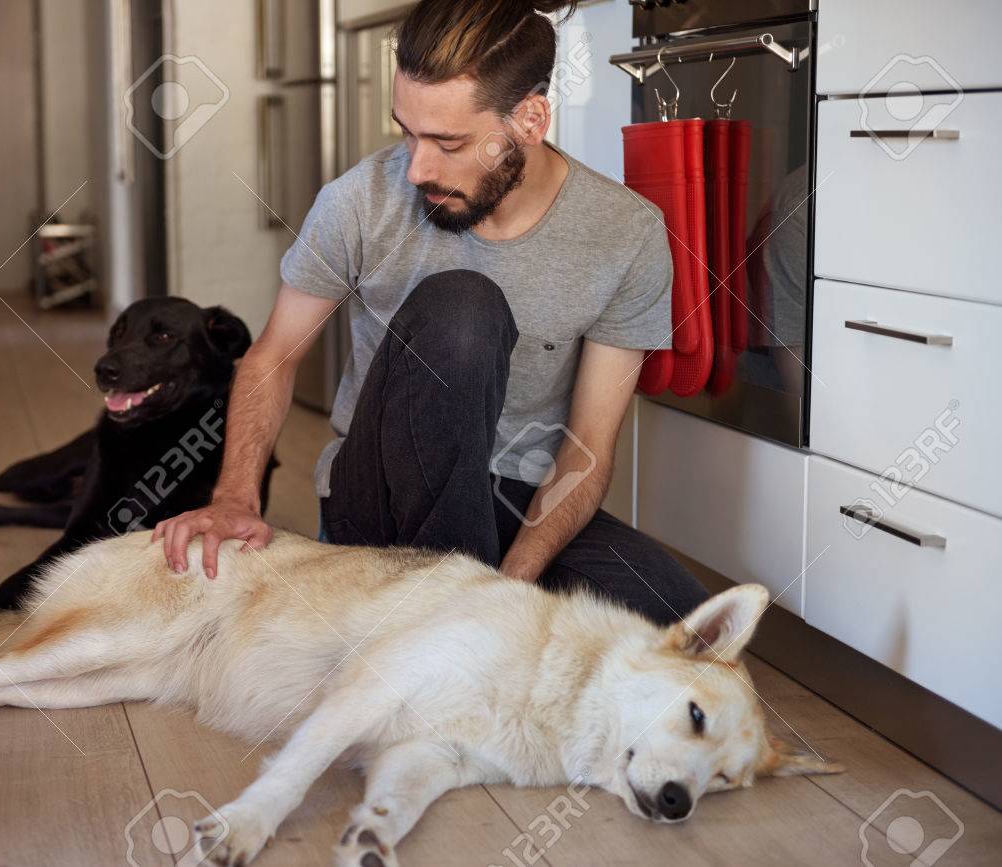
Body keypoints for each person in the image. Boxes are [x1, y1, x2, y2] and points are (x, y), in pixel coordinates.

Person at [153, 0, 709, 624]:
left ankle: (455, 618)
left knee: (689, 628)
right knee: (463, 308)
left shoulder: (625, 233)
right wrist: (234, 497)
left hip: (513, 496)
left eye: (448, 142)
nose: (417, 169)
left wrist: (514, 581)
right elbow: (275, 356)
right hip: (380, 489)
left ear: (530, 119)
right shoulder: (359, 199)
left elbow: (588, 448)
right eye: (407, 132)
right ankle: (452, 625)